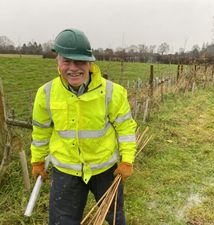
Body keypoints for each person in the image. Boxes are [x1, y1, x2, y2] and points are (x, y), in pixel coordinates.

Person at [30, 28, 137, 225]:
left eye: (79, 61)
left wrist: (127, 160)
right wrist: (37, 160)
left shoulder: (113, 93)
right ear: (58, 62)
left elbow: (126, 130)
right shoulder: (45, 94)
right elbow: (40, 132)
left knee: (114, 218)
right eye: (66, 61)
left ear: (90, 63)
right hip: (66, 171)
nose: (73, 68)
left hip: (105, 168)